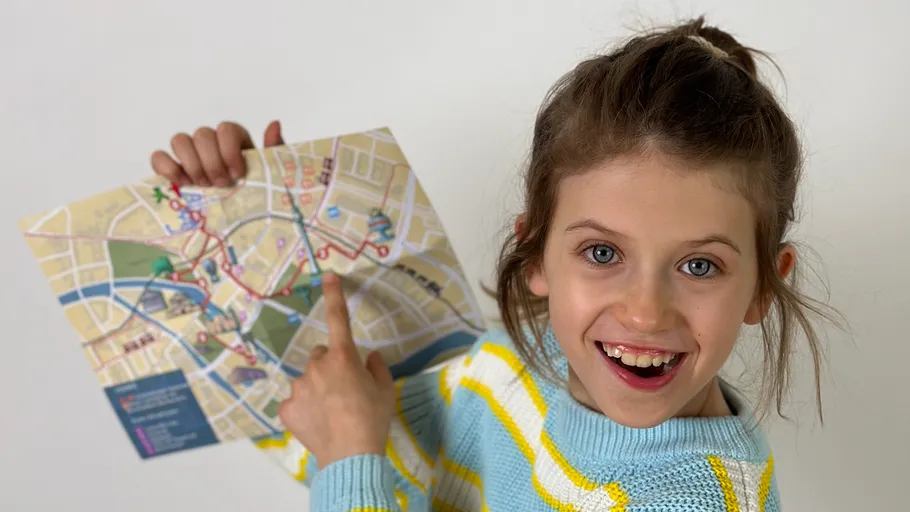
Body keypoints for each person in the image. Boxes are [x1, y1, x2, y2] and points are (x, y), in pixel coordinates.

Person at [151, 16, 837, 512]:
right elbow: (336, 410)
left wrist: (350, 463)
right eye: (603, 253)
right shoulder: (522, 363)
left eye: (700, 267)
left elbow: (351, 449)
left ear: (764, 286)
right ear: (535, 254)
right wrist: (251, 215)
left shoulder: (691, 501)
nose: (644, 312)